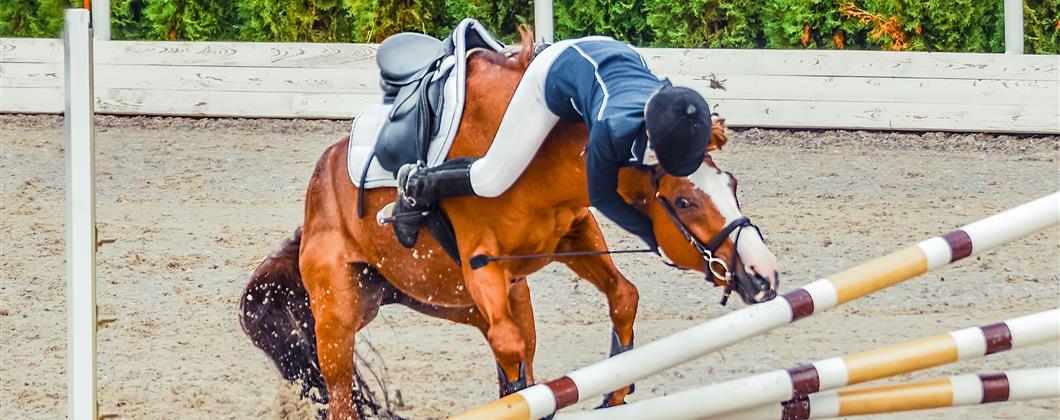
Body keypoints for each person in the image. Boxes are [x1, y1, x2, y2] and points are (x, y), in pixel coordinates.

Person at [397, 36, 713, 251]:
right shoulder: (610, 126)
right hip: (552, 73)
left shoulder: (675, 104)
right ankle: (417, 184)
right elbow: (602, 195)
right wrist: (652, 237)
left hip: (609, 53)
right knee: (491, 178)